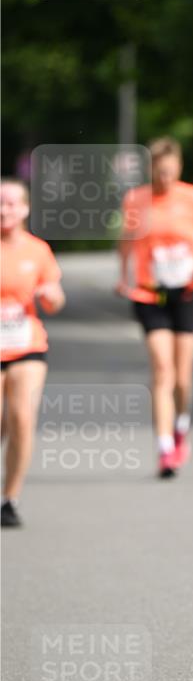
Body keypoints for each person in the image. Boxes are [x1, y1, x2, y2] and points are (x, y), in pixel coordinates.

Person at [117, 137, 193, 478]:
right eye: (158, 170)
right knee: (162, 370)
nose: (164, 177)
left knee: (182, 377)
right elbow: (126, 242)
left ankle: (181, 427)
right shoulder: (136, 200)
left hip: (187, 292)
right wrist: (123, 277)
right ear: (151, 169)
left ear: (178, 167)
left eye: (169, 170)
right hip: (150, 293)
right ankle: (165, 448)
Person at [1, 178, 65, 528]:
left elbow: (54, 296)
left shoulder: (37, 250)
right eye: (0, 203)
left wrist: (52, 297)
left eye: (11, 203)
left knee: (22, 418)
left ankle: (9, 499)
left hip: (27, 345)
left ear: (25, 209)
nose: (4, 210)